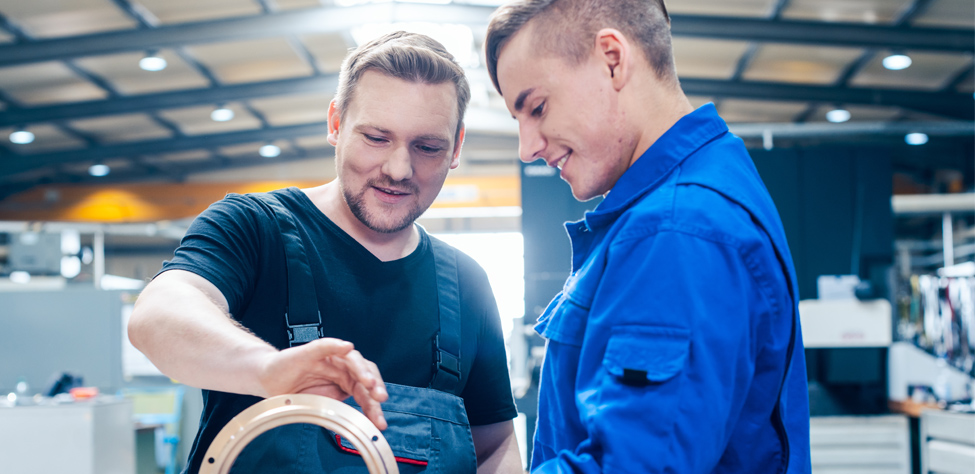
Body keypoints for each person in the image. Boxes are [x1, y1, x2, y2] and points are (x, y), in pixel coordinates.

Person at [129, 31, 522, 474]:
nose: (398, 169)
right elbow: (157, 317)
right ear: (336, 123)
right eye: (376, 137)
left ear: (457, 147)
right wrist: (267, 369)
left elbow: (494, 444)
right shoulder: (253, 227)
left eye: (427, 147)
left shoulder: (466, 282)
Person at [485, 1, 811, 472]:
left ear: (612, 60)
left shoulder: (678, 230)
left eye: (537, 108)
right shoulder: (706, 189)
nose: (527, 147)